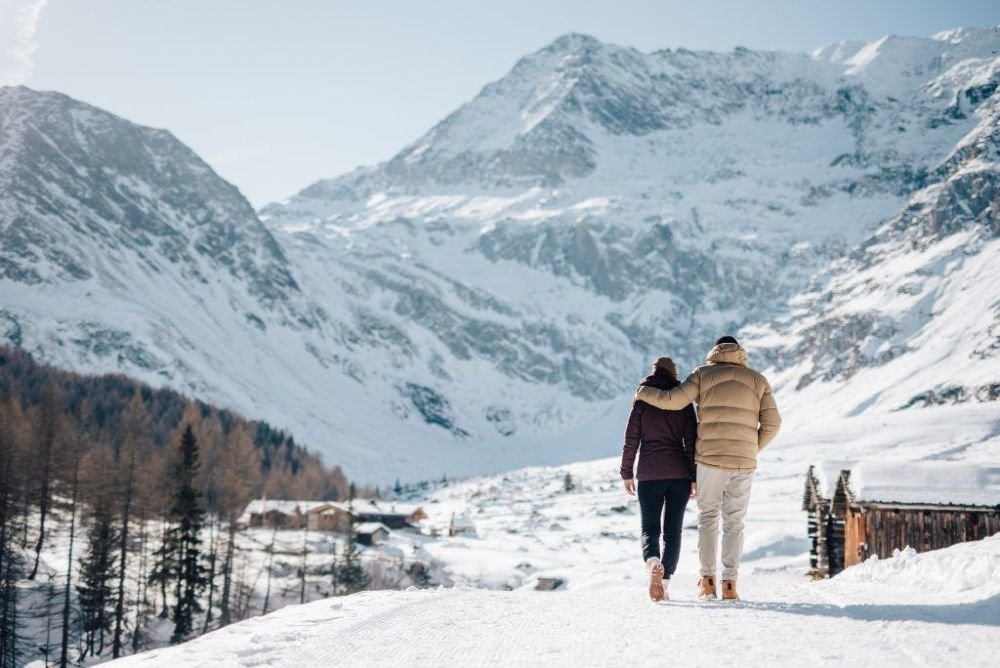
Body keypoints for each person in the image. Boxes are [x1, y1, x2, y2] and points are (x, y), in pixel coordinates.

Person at [634, 336, 780, 602]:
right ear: (740, 354)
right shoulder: (758, 380)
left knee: (709, 517)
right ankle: (730, 585)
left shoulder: (703, 374)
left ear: (715, 353)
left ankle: (708, 582)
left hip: (710, 460)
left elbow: (673, 401)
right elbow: (773, 424)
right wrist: (749, 448)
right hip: (743, 462)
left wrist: (643, 392)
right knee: (735, 522)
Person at [620, 357, 698, 602]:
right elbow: (692, 442)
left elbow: (631, 440)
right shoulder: (683, 402)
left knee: (650, 529)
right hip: (679, 475)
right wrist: (694, 476)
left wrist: (626, 473)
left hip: (649, 474)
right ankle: (664, 583)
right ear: (674, 375)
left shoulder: (641, 401)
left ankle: (653, 561)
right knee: (673, 531)